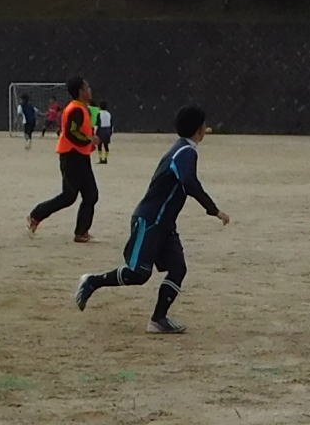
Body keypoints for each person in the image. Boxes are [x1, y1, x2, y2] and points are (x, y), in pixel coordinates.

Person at [71, 106, 230, 334]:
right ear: (199, 129)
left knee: (178, 268)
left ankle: (158, 320)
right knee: (138, 273)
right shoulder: (186, 152)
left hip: (164, 223)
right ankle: (92, 281)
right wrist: (214, 210)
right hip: (151, 220)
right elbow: (189, 182)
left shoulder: (183, 149)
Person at [28, 77, 100, 243]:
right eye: (87, 87)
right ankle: (36, 215)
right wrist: (89, 140)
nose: (90, 90)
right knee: (70, 196)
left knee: (90, 194)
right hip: (71, 156)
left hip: (80, 156)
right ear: (81, 91)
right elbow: (72, 132)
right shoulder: (75, 109)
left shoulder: (83, 108)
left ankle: (81, 232)